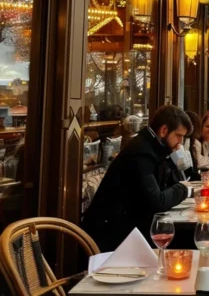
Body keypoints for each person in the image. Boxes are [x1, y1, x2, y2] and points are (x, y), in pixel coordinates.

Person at [82, 105, 194, 251]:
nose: (180, 142)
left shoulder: (154, 148)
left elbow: (168, 185)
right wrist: (184, 188)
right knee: (187, 243)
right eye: (179, 136)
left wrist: (176, 160)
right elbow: (158, 201)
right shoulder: (141, 153)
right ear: (164, 130)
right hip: (114, 241)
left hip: (132, 231)